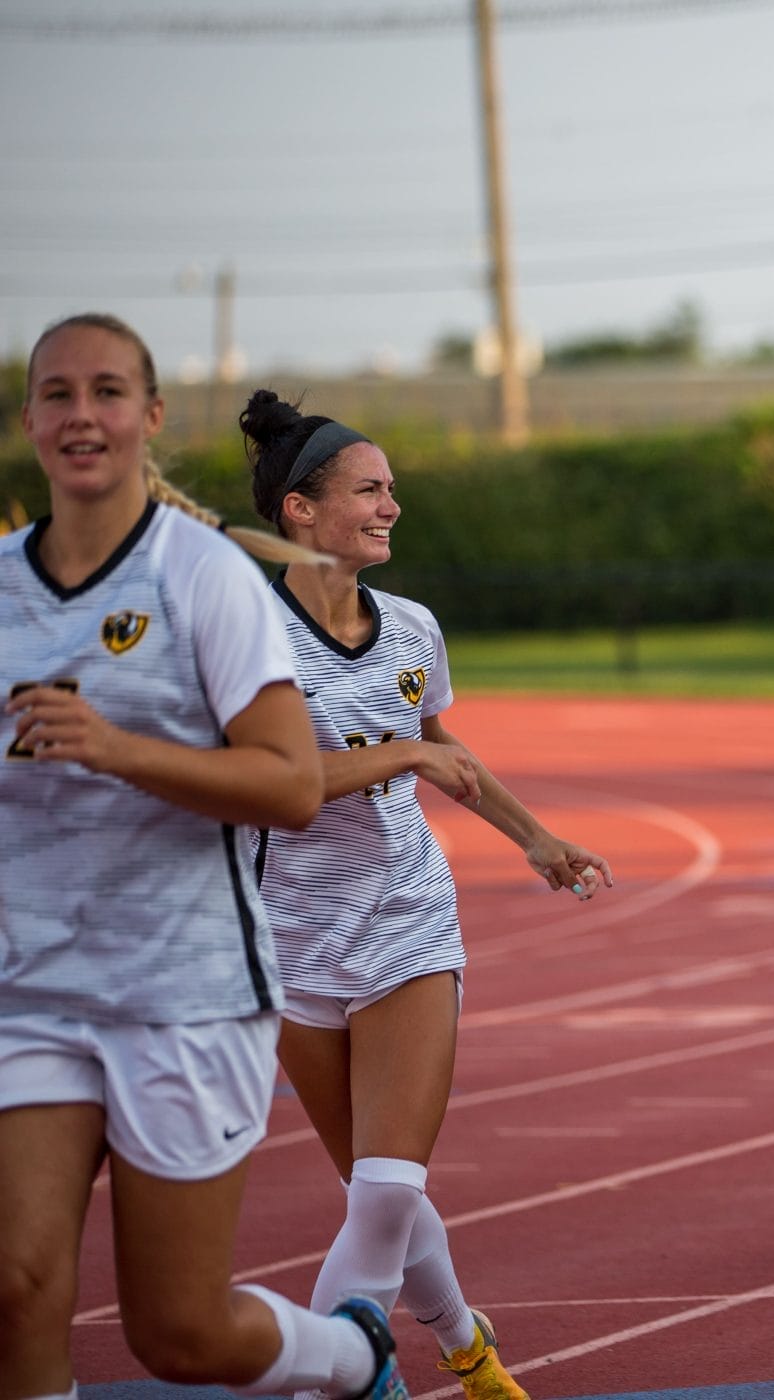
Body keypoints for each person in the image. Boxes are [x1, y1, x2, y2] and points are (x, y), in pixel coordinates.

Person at [1, 315, 410, 1400]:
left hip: (183, 991)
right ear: (30, 418)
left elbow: (287, 784)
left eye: (106, 390)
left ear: (148, 416)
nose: (81, 413)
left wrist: (117, 747)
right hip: (30, 988)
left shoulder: (204, 576)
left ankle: (351, 1351)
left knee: (175, 1330)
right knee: (16, 1283)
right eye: (56, 393)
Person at [236, 390, 613, 1397]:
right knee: (378, 1191)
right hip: (291, 938)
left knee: (388, 1184)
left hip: (407, 919)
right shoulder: (247, 634)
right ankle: (466, 1345)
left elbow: (439, 746)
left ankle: (339, 1373)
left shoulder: (410, 628)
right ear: (300, 511)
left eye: (393, 489)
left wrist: (537, 837)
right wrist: (397, 751)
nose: (391, 505)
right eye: (369, 489)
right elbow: (274, 783)